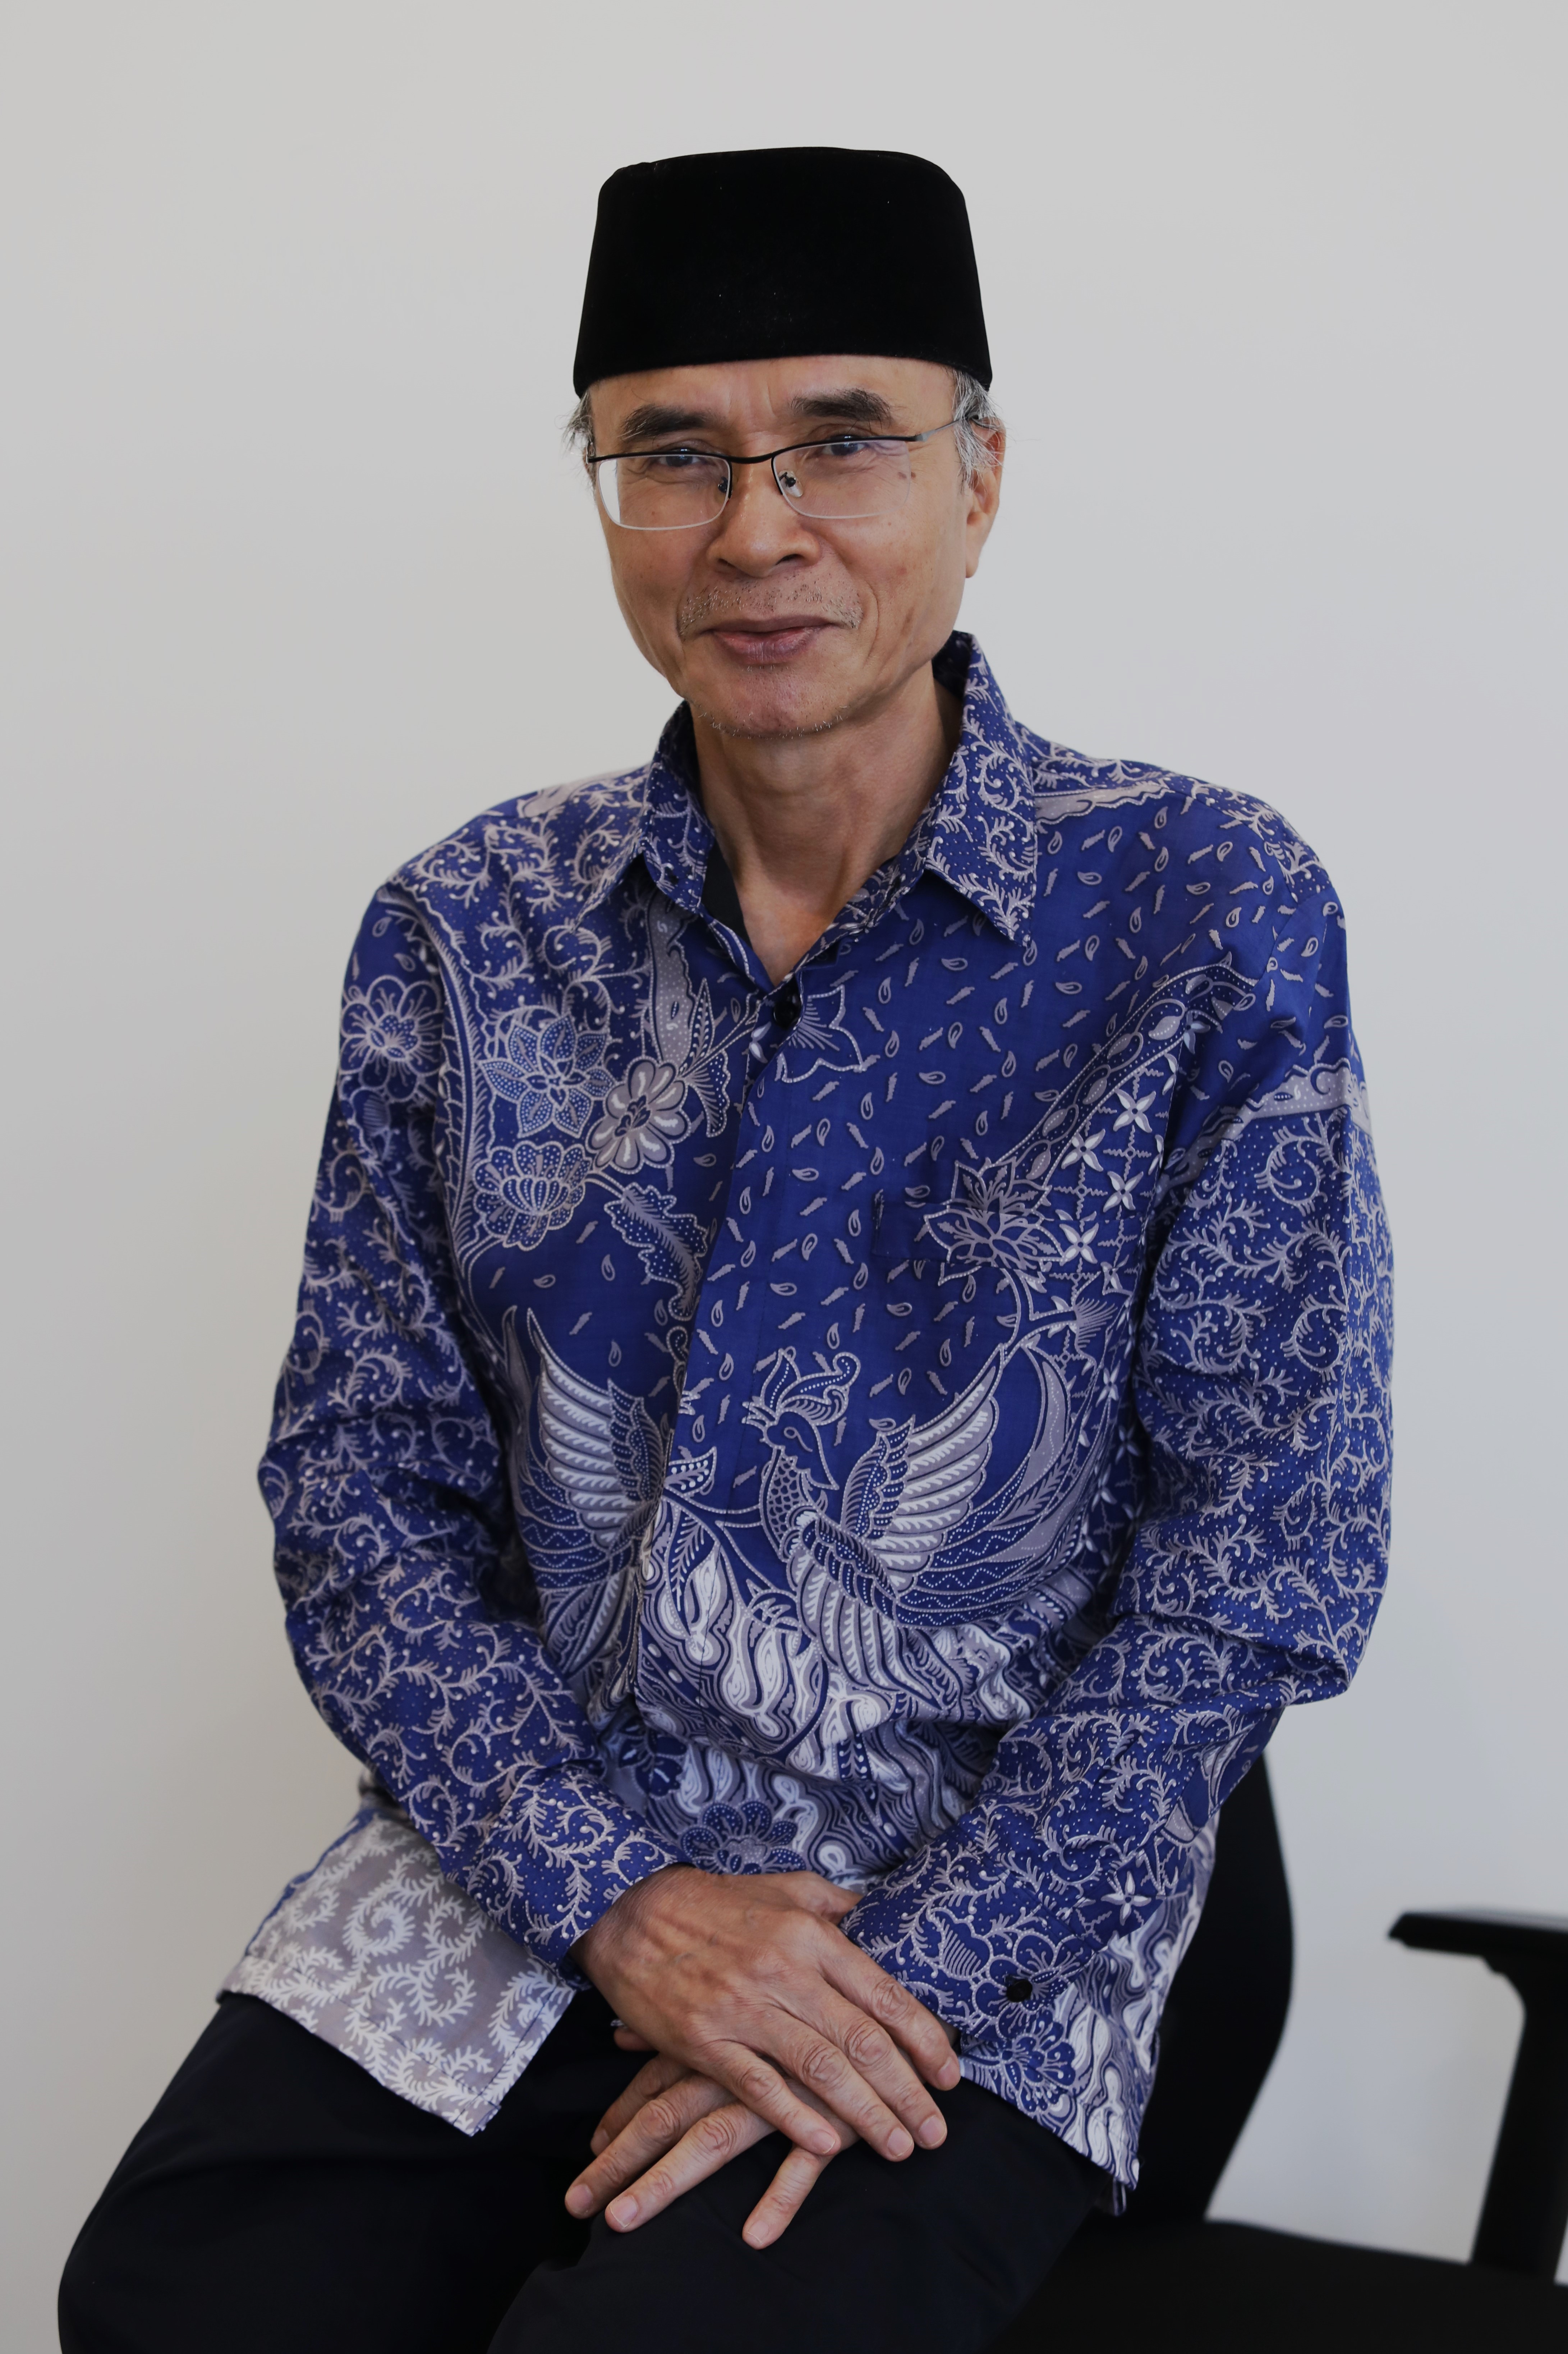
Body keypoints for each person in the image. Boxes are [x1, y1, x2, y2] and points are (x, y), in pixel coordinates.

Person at [60, 146, 1393, 2354]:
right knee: (177, 2299)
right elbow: (361, 1494)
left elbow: (1268, 1552)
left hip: (993, 1899)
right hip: (543, 1852)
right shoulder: (464, 933)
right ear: (604, 491)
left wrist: (881, 1978)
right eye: (674, 453)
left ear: (980, 478)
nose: (757, 528)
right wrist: (622, 1903)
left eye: (842, 440)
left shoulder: (1201, 908)